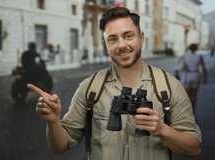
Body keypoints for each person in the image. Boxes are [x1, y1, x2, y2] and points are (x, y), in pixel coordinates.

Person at [27, 7, 201, 160]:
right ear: (106, 44)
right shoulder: (90, 88)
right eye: (113, 39)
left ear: (141, 38)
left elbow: (194, 148)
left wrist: (162, 129)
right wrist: (53, 121)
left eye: (128, 36)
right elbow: (59, 147)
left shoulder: (169, 87)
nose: (121, 45)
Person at [179, 43, 207, 114]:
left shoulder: (185, 56)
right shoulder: (199, 56)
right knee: (194, 96)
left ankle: (187, 112)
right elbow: (203, 68)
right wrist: (204, 77)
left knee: (186, 96)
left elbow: (181, 67)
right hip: (195, 75)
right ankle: (193, 111)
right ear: (196, 49)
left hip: (187, 76)